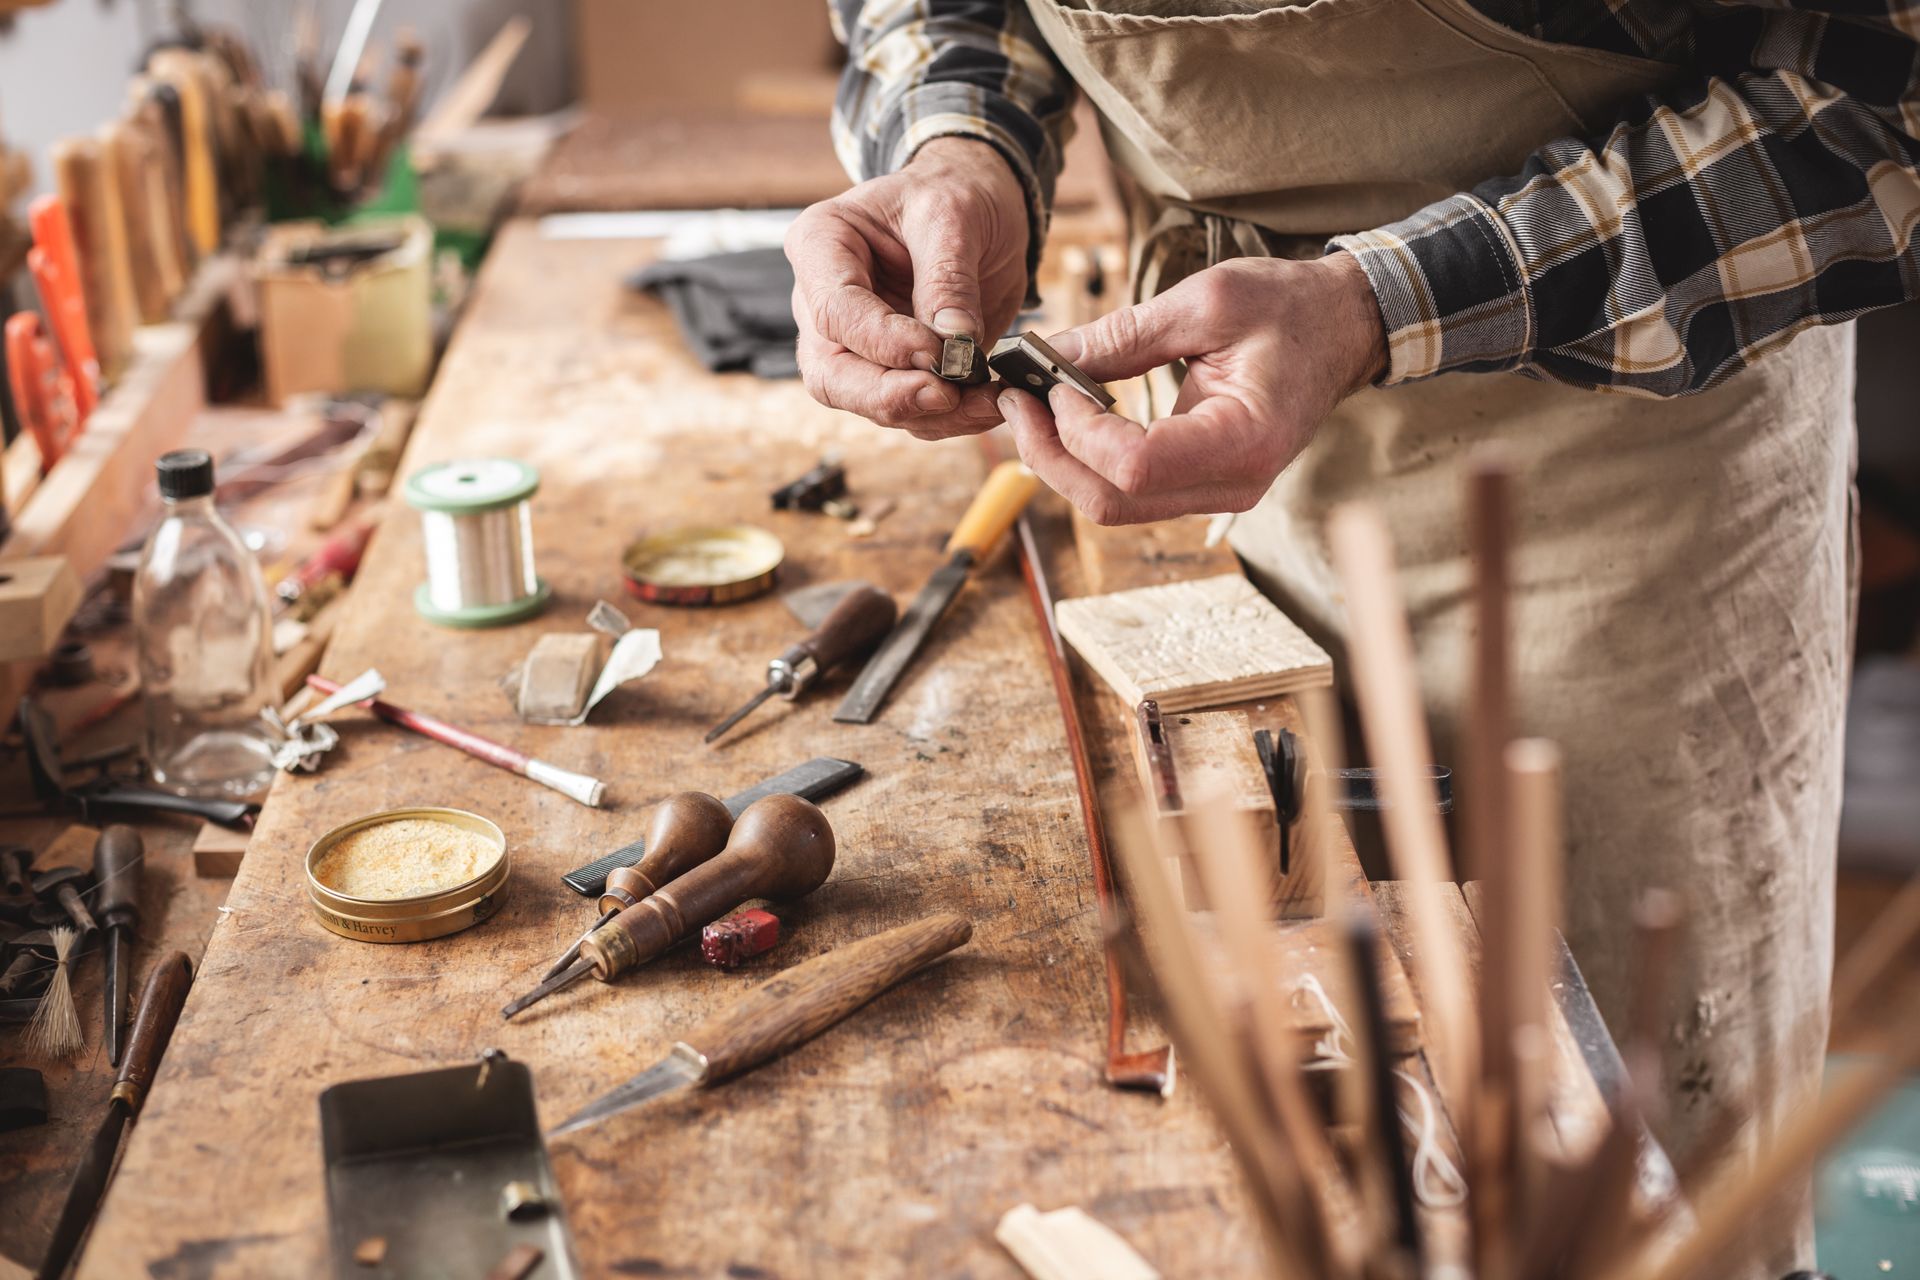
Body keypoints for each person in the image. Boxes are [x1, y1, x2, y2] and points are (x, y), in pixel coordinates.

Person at [787, 2, 1916, 1273]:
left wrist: (1374, 301)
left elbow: (1889, 116)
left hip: (1626, 485)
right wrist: (957, 144)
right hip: (1227, 424)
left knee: (1622, 1179)